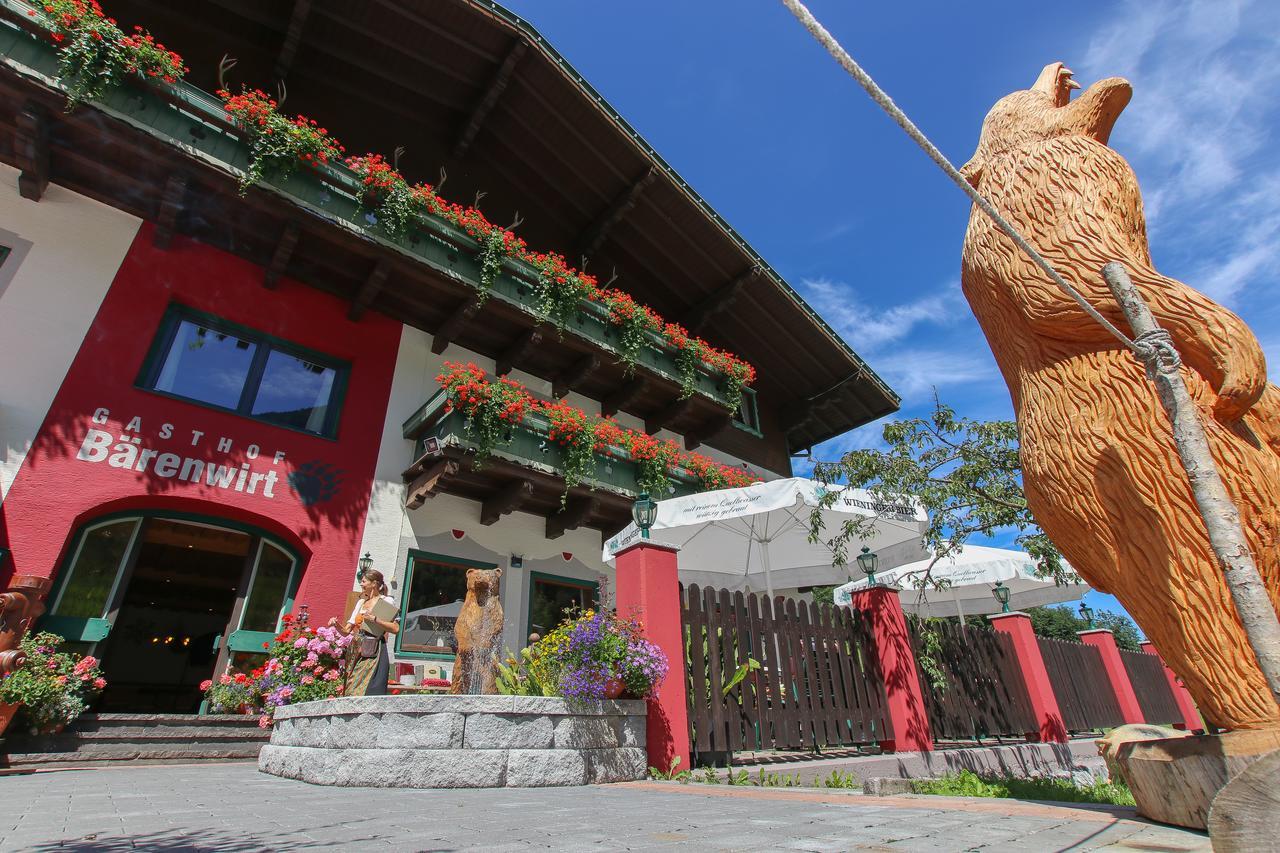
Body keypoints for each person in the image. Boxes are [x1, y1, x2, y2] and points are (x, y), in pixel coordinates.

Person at [329, 569, 399, 696]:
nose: (361, 584)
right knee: (350, 684)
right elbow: (346, 631)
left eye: (363, 581)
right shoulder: (361, 602)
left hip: (373, 647)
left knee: (366, 685)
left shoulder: (386, 601)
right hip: (356, 646)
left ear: (374, 584)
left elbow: (395, 629)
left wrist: (375, 619)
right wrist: (336, 624)